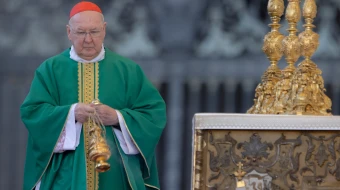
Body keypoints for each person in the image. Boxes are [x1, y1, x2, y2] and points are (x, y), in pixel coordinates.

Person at [20, 1, 166, 190]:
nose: (88, 39)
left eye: (94, 31)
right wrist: (71, 114)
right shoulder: (50, 70)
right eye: (81, 32)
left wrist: (117, 117)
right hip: (66, 174)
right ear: (69, 32)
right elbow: (33, 112)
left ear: (104, 30)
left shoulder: (128, 71)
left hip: (116, 176)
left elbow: (153, 113)